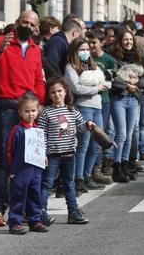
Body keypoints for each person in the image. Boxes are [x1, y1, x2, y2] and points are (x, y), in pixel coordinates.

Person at [0, 10, 45, 227]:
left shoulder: (36, 50)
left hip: (29, 109)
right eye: (24, 22)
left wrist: (39, 105)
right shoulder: (1, 42)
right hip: (7, 106)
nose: (27, 26)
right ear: (17, 22)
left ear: (36, 28)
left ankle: (29, 212)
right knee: (5, 162)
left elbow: (38, 80)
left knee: (30, 162)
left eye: (31, 24)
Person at [38, 77, 93, 226]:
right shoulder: (46, 113)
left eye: (59, 91)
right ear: (49, 95)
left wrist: (87, 125)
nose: (57, 95)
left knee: (69, 184)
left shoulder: (72, 110)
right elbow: (41, 135)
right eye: (53, 92)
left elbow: (80, 127)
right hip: (52, 155)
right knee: (47, 184)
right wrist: (42, 154)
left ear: (65, 91)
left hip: (69, 154)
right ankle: (40, 213)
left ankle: (73, 212)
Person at [64, 37, 107, 192]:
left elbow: (105, 81)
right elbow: (77, 88)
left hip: (97, 106)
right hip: (84, 107)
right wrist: (97, 88)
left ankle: (88, 175)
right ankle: (79, 178)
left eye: (87, 49)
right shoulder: (70, 67)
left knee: (97, 143)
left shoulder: (92, 65)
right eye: (81, 50)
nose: (85, 52)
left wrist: (101, 86)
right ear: (75, 51)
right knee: (83, 144)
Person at [7, 92, 48, 235]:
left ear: (38, 111)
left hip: (36, 170)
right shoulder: (17, 130)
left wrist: (43, 157)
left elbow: (41, 148)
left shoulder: (38, 130)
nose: (30, 114)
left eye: (33, 111)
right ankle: (15, 222)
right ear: (20, 112)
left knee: (34, 194)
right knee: (18, 195)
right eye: (27, 111)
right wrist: (12, 170)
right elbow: (10, 151)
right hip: (20, 171)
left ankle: (35, 220)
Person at [109, 30, 144, 183]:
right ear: (120, 41)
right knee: (121, 134)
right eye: (125, 39)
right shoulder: (114, 59)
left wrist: (136, 83)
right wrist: (126, 85)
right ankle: (116, 166)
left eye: (131, 39)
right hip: (119, 98)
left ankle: (125, 164)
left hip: (134, 100)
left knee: (130, 135)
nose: (128, 42)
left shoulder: (138, 60)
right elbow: (111, 79)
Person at [88, 29, 116, 184]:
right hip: (86, 100)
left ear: (102, 43)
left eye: (94, 42)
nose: (91, 46)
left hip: (103, 101)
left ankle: (97, 169)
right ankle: (88, 171)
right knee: (86, 137)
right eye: (89, 42)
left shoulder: (109, 60)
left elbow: (111, 82)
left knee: (99, 135)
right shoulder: (84, 56)